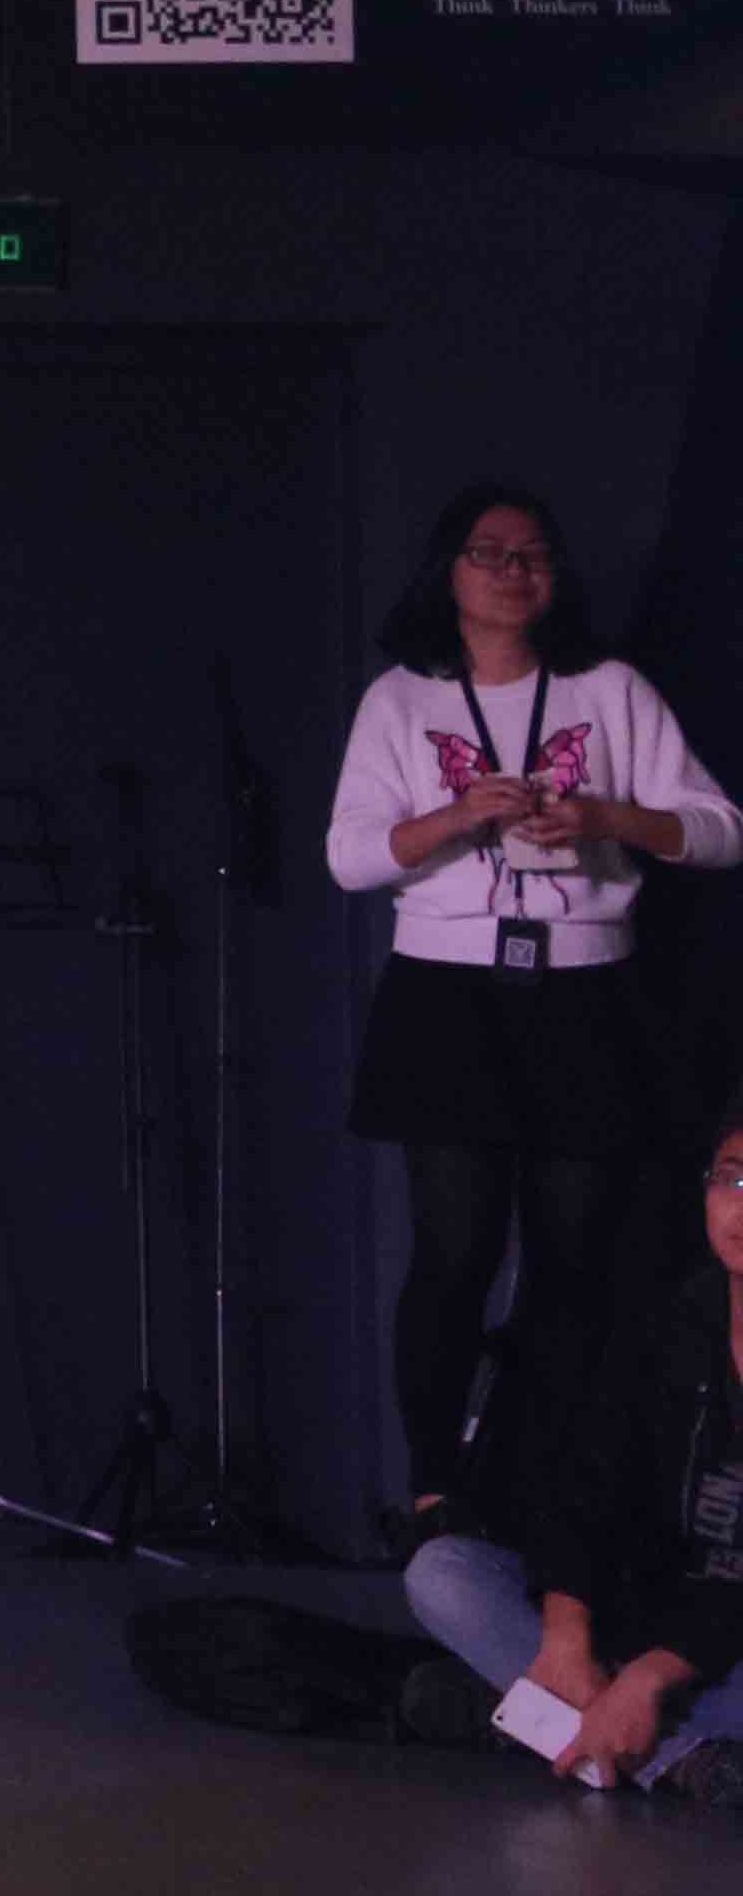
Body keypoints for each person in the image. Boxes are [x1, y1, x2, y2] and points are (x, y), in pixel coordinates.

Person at [325, 481, 737, 1547]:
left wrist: (606, 817)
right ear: (448, 571)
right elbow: (352, 858)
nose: (513, 571)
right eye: (489, 552)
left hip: (586, 990)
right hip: (448, 993)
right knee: (454, 1249)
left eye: (533, 554)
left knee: (574, 1258)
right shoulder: (401, 699)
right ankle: (433, 1492)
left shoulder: (609, 687)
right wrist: (457, 816)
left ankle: (551, 1491)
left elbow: (720, 829)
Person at [396, 1090, 743, 1805]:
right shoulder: (667, 1323)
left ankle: (548, 1722)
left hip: (718, 1650)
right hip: (649, 1613)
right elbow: (583, 1487)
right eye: (733, 1177)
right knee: (442, 1573)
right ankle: (670, 1751)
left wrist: (652, 1674)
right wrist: (565, 1632)